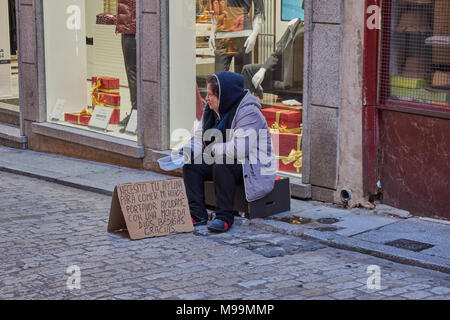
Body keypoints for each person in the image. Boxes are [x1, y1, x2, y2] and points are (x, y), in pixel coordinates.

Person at [181, 71, 276, 233]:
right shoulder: (211, 109)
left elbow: (239, 150)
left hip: (251, 166)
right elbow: (198, 138)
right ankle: (197, 214)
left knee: (222, 163)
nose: (207, 98)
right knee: (191, 163)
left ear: (225, 95)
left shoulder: (249, 112)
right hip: (221, 159)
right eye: (207, 94)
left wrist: (211, 150)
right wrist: (185, 152)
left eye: (211, 94)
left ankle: (224, 217)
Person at [116, 0, 137, 129]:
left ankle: (137, 115)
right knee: (132, 73)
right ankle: (135, 112)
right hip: (128, 25)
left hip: (132, 26)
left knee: (133, 73)